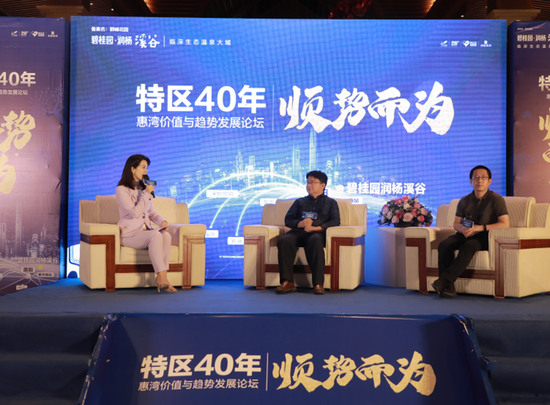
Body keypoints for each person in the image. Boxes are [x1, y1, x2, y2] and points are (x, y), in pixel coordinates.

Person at [432, 165, 510, 298]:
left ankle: (443, 281)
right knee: (444, 244)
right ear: (470, 181)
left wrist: (480, 228)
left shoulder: (496, 199)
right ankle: (448, 288)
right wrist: (462, 229)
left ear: (489, 181)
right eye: (476, 177)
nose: (479, 180)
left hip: (485, 236)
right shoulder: (464, 200)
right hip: (465, 233)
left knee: (469, 245)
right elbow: (456, 223)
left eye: (483, 177)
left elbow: (505, 224)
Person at [116, 154, 176, 293]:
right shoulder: (121, 190)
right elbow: (136, 213)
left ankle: (163, 278)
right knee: (155, 235)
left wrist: (162, 221)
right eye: (143, 167)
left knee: (165, 235)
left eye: (147, 168)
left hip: (145, 233)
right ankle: (161, 278)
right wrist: (147, 194)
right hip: (130, 235)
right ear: (133, 169)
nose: (146, 171)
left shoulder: (142, 190)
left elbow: (151, 213)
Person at [276, 171, 340, 295]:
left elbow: (335, 221)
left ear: (323, 185)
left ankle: (318, 284)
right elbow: (288, 220)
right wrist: (301, 223)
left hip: (317, 233)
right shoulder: (299, 202)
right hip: (298, 232)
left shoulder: (331, 203)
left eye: (313, 182)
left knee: (315, 241)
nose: (309, 185)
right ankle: (287, 282)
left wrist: (316, 228)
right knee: (284, 241)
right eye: (308, 182)